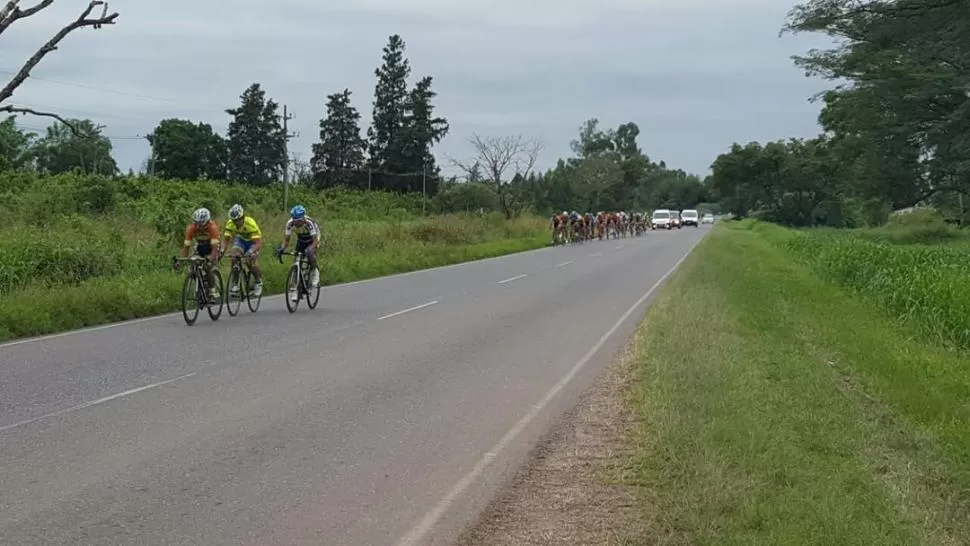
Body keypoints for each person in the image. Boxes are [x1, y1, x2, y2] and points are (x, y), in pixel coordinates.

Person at [276, 204, 321, 297]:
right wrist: (282, 248)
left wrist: (311, 248)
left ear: (303, 218)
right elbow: (286, 240)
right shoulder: (290, 223)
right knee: (296, 260)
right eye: (294, 220)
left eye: (298, 221)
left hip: (313, 238)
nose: (296, 223)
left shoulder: (309, 223)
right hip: (301, 239)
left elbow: (315, 241)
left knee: (309, 252)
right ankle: (295, 286)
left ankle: (314, 272)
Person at [175, 207, 220, 300]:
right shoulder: (191, 228)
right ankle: (200, 285)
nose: (198, 226)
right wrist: (181, 261)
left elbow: (215, 249)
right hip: (200, 246)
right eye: (196, 223)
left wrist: (210, 258)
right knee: (193, 265)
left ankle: (212, 289)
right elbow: (186, 247)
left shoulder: (213, 227)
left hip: (212, 247)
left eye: (201, 224)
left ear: (207, 222)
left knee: (207, 266)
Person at [221, 203, 263, 297]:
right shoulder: (230, 223)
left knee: (250, 261)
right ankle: (235, 284)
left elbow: (258, 243)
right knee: (234, 258)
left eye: (237, 220)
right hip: (241, 240)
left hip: (253, 242)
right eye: (234, 220)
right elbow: (226, 240)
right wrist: (222, 251)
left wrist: (251, 252)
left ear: (242, 217)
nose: (236, 223)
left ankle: (258, 281)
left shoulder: (250, 223)